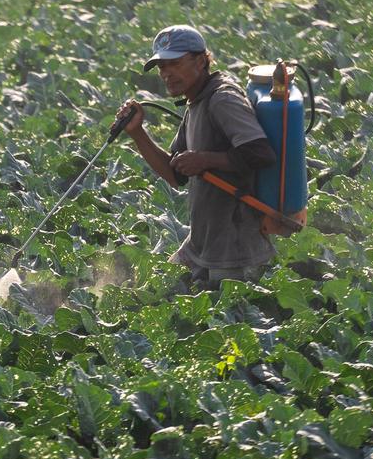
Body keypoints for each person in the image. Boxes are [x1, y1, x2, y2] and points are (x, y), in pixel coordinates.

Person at [116, 25, 277, 287]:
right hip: (202, 242)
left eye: (174, 64)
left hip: (233, 247)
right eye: (162, 67)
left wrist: (204, 160)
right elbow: (175, 174)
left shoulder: (222, 98)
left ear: (201, 61)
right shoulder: (197, 101)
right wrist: (137, 134)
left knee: (226, 321)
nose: (166, 74)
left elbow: (260, 154)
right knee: (157, 295)